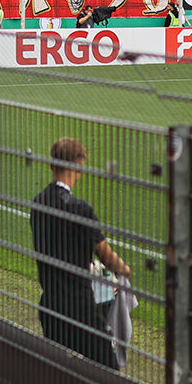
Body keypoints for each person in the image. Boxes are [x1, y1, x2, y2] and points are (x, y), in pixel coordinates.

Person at [30, 137, 130, 369]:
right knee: (108, 370)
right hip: (80, 309)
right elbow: (107, 256)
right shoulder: (80, 209)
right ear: (78, 166)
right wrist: (125, 269)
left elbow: (58, 244)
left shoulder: (38, 202)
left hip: (50, 305)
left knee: (60, 373)